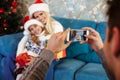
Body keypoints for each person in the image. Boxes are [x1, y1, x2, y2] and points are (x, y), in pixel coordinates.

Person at [28, 0, 64, 80]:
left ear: (46, 13)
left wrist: (37, 59)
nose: (40, 18)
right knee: (11, 58)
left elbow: (55, 49)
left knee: (44, 64)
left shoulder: (56, 26)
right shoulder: (37, 28)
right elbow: (31, 44)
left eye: (41, 14)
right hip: (38, 54)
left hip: (54, 56)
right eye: (37, 16)